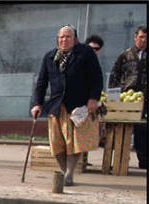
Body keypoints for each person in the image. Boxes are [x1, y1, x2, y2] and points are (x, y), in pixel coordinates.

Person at [30, 25, 103, 186]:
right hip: (56, 105)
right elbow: (41, 83)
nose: (64, 40)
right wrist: (37, 103)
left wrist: (93, 99)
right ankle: (64, 172)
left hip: (77, 105)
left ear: (74, 39)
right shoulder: (50, 57)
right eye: (61, 37)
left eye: (68, 36)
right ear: (57, 39)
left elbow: (96, 78)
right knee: (56, 143)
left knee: (74, 143)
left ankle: (69, 174)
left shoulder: (85, 53)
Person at [108, 24, 147, 169]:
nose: (144, 40)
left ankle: (144, 161)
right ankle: (117, 161)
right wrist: (114, 97)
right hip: (127, 98)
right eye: (141, 37)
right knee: (121, 130)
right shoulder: (125, 55)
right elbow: (115, 75)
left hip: (145, 99)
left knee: (143, 130)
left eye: (146, 38)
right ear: (135, 37)